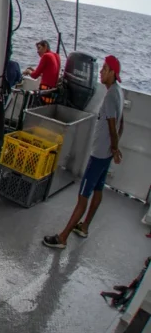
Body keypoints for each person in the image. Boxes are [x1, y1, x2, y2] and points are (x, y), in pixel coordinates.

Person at [43, 55, 125, 249]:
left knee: (83, 195)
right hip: (104, 155)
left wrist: (114, 148)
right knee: (98, 190)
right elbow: (122, 123)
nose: (101, 71)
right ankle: (85, 226)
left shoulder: (111, 96)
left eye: (105, 68)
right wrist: (114, 147)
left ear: (113, 72)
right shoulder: (118, 92)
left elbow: (113, 125)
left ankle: (63, 237)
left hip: (99, 154)